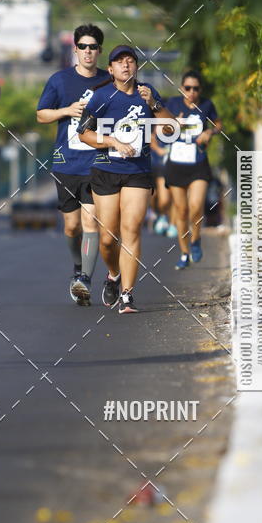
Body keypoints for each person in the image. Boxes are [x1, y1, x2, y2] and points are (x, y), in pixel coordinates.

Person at [78, 45, 175, 314]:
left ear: (136, 67)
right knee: (108, 238)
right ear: (110, 69)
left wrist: (154, 105)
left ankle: (127, 294)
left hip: (138, 171)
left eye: (130, 60)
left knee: (131, 228)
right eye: (119, 61)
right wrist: (112, 141)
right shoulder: (101, 97)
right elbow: (83, 134)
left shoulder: (147, 93)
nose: (125, 65)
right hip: (106, 171)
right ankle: (113, 275)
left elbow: (171, 129)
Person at [36, 24, 109, 306]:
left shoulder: (109, 81)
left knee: (91, 220)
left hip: (98, 162)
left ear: (99, 51)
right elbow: (41, 115)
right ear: (75, 49)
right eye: (83, 47)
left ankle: (85, 279)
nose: (88, 51)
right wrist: (66, 110)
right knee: (71, 226)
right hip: (66, 163)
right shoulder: (60, 80)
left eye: (93, 47)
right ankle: (78, 267)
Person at [164, 71, 222, 270]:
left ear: (200, 90)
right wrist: (172, 125)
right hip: (176, 164)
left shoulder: (206, 105)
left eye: (196, 88)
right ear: (182, 88)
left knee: (196, 206)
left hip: (198, 164)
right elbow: (162, 128)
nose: (191, 92)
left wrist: (209, 132)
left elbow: (218, 124)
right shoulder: (172, 104)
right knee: (181, 212)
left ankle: (196, 239)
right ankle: (184, 252)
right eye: (187, 88)